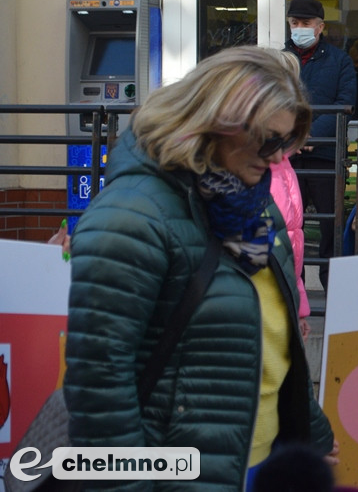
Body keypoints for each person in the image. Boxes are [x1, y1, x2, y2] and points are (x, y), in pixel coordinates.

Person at [64, 46, 337, 489]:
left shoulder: (252, 201)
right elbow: (99, 388)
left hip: (257, 464)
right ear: (218, 120)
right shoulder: (131, 216)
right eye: (269, 139)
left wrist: (312, 429)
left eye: (285, 143)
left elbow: (275, 336)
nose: (275, 158)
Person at [284, 0, 357, 287]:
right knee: (290, 228)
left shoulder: (341, 60)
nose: (299, 28)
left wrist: (311, 136)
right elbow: (272, 103)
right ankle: (293, 289)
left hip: (325, 156)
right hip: (287, 158)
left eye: (305, 23)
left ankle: (333, 290)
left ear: (320, 26)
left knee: (330, 226)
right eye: (294, 23)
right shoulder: (280, 60)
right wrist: (294, 137)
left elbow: (346, 103)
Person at [270, 156, 312, 341]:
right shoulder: (255, 169)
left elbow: (293, 246)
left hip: (282, 300)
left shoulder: (283, 165)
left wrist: (299, 310)